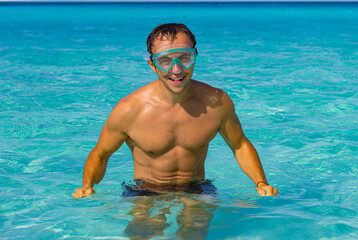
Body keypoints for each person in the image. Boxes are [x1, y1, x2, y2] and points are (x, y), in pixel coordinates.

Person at [73, 23, 278, 199]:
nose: (176, 69)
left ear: (195, 57)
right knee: (143, 234)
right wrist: (87, 187)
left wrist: (261, 183)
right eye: (165, 61)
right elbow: (101, 153)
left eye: (184, 58)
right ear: (152, 65)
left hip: (196, 188)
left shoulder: (217, 102)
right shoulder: (129, 109)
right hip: (145, 191)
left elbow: (239, 144)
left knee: (195, 233)